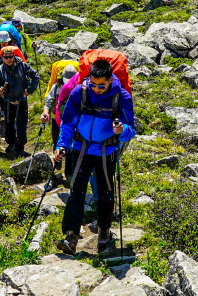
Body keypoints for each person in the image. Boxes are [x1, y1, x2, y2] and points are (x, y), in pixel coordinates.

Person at [53, 59, 136, 254]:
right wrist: (62, 145)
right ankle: (71, 236)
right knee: (76, 190)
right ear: (88, 78)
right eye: (93, 84)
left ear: (110, 80)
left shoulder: (121, 97)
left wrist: (121, 130)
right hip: (81, 148)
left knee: (106, 192)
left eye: (101, 85)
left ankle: (104, 232)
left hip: (106, 151)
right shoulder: (79, 93)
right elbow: (66, 123)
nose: (96, 88)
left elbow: (131, 129)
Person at [0, 46, 40, 156]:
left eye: (11, 56)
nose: (9, 59)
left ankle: (20, 147)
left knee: (22, 125)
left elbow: (35, 76)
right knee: (9, 124)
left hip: (21, 100)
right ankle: (11, 144)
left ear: (14, 56)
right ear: (2, 57)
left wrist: (30, 90)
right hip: (7, 101)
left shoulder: (23, 66)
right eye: (6, 57)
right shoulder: (0, 69)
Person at [41, 62, 78, 179]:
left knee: (72, 146)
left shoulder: (80, 87)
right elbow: (49, 100)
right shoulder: (56, 86)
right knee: (58, 141)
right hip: (56, 120)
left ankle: (69, 173)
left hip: (72, 122)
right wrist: (45, 112)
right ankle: (57, 164)